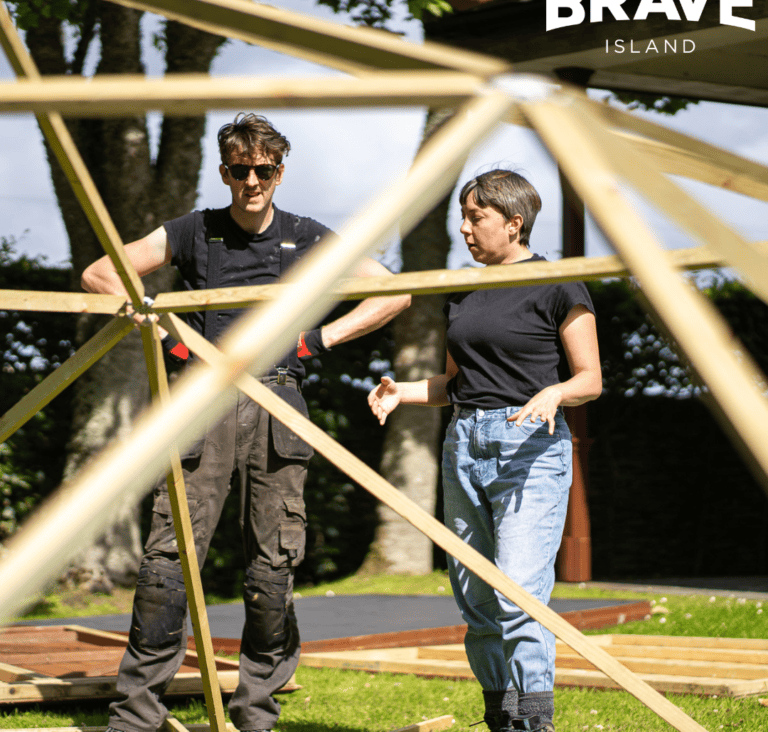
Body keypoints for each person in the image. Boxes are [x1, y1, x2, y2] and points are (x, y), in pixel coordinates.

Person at [81, 113, 410, 732]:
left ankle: (256, 712)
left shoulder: (306, 234)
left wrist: (315, 342)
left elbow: (394, 292)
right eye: (239, 170)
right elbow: (102, 274)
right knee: (168, 560)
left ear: (280, 172)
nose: (251, 181)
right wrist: (166, 338)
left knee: (272, 564)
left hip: (279, 403)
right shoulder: (194, 231)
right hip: (200, 402)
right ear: (224, 170)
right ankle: (135, 717)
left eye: (263, 170)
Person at [368, 170, 601, 732]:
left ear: (513, 222)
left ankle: (535, 721)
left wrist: (554, 392)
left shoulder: (561, 281)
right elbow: (458, 382)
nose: (466, 229)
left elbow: (590, 378)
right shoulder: (466, 287)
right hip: (464, 444)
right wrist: (404, 391)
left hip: (530, 447)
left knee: (519, 595)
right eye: (464, 218)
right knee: (475, 599)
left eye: (477, 218)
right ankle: (501, 714)